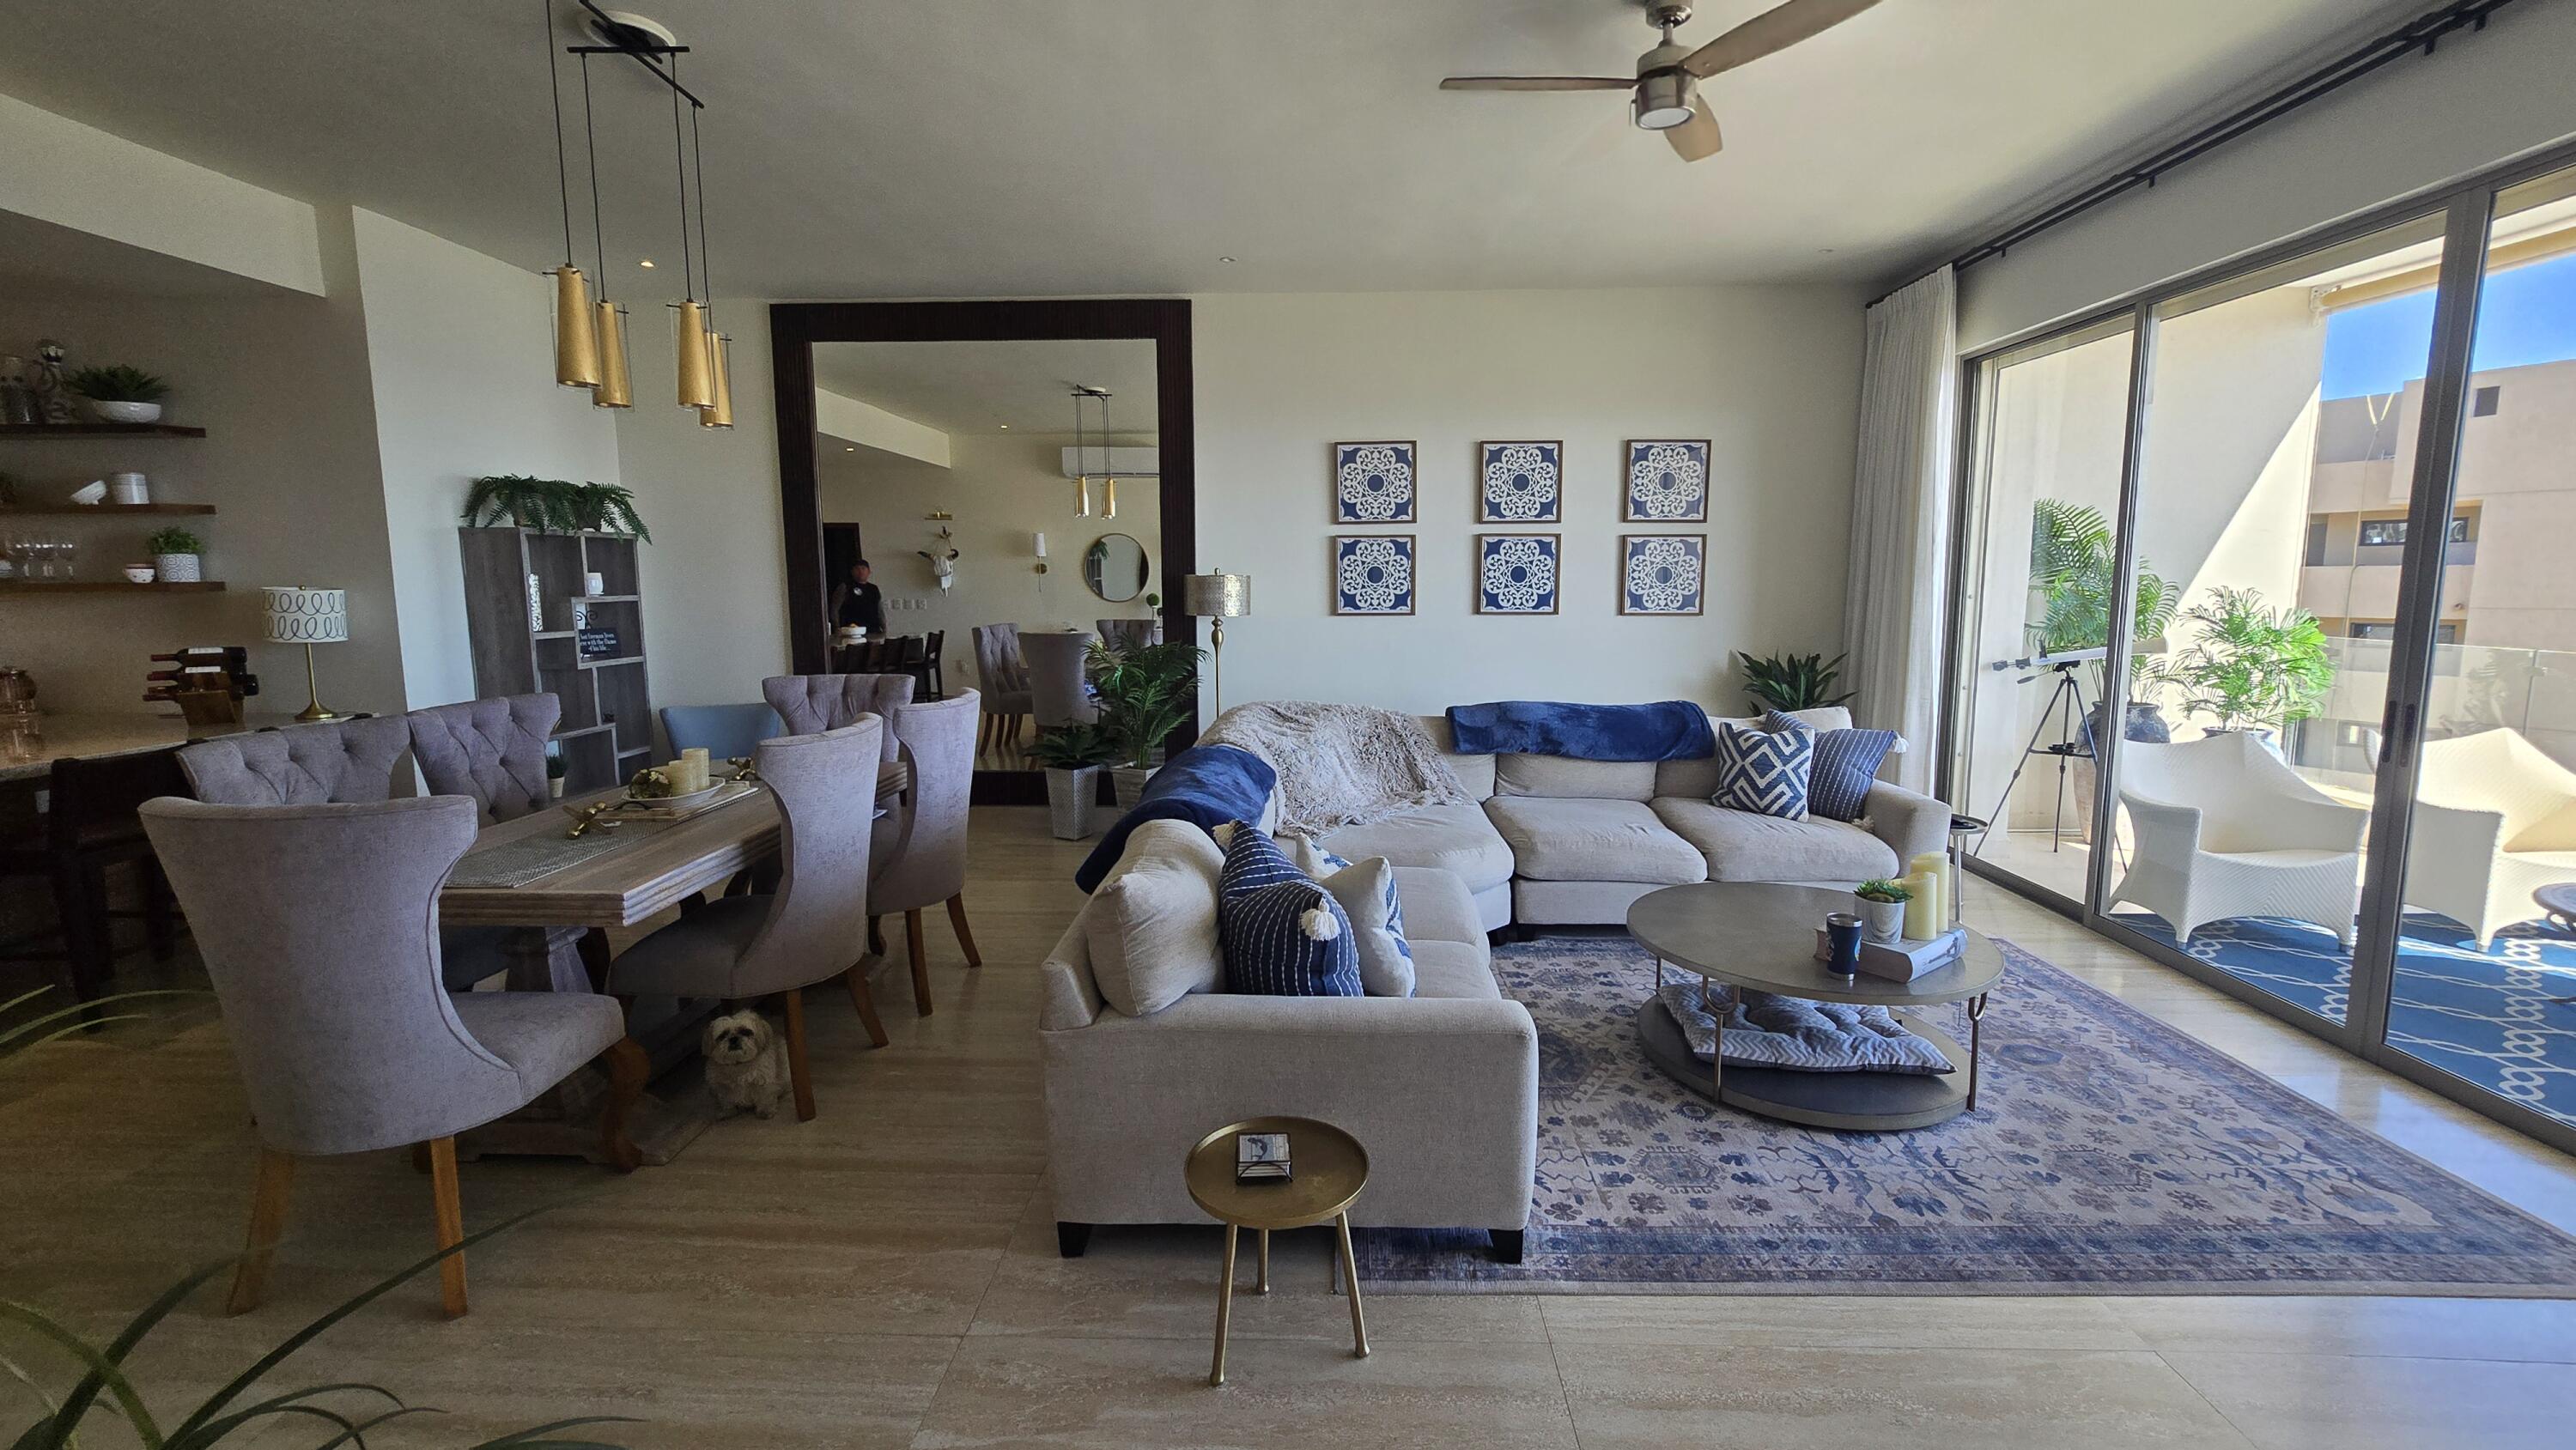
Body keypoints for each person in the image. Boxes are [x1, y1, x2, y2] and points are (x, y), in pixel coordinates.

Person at [831, 559, 886, 636]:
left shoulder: (874, 589)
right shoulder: (845, 587)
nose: (860, 571)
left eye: (863, 568)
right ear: (852, 572)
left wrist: (884, 628)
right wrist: (837, 627)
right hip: (852, 631)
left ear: (869, 572)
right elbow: (835, 609)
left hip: (873, 630)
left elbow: (880, 610)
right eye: (857, 569)